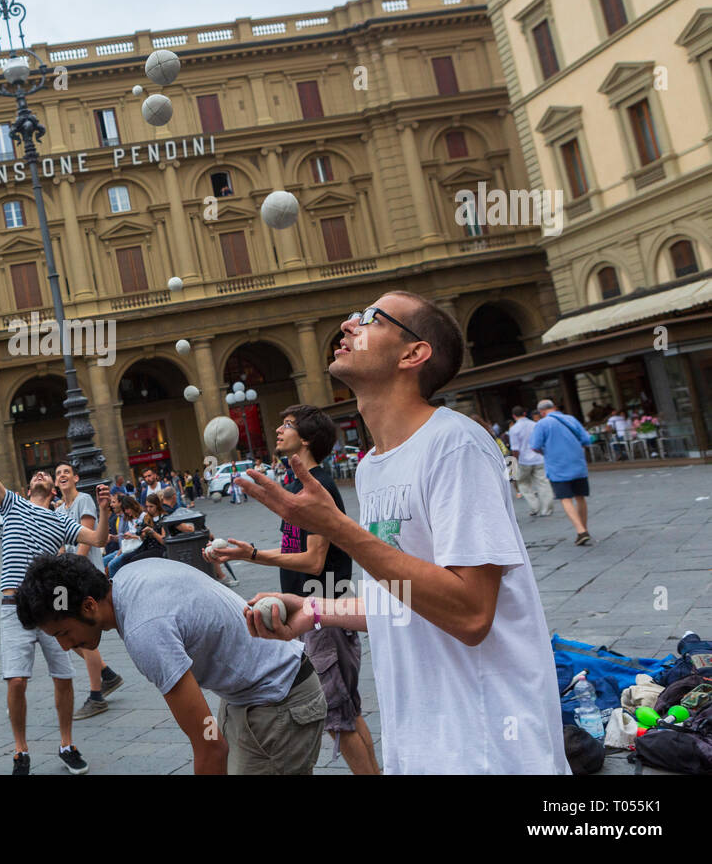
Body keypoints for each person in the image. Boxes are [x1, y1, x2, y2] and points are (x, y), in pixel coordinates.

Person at [236, 291, 568, 774]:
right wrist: (315, 610)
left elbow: (472, 613)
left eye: (370, 319)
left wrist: (338, 529)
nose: (349, 325)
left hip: (487, 744)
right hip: (420, 742)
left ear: (413, 354)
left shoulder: (455, 445)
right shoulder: (371, 467)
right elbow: (406, 599)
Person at [17, 552, 327, 774]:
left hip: (279, 702)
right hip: (254, 696)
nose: (66, 646)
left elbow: (209, 745)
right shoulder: (127, 577)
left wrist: (211, 737)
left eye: (63, 633)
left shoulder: (144, 631)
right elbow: (208, 732)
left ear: (89, 605)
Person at [206, 405, 379, 775]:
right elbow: (297, 550)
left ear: (307, 439)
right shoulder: (304, 485)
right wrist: (248, 552)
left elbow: (314, 560)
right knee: (346, 711)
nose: (279, 430)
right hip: (320, 608)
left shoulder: (320, 486)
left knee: (337, 716)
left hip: (325, 610)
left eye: (288, 425)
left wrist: (253, 556)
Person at [0, 408, 111, 775]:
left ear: (53, 490)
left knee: (64, 676)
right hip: (13, 603)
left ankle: (67, 744)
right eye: (36, 472)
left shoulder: (60, 520)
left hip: (56, 606)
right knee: (17, 681)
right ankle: (21, 751)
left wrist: (103, 509)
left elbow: (98, 538)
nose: (40, 474)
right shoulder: (12, 504)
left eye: (46, 475)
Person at [53, 462, 124, 720]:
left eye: (66, 473)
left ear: (75, 478)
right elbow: (60, 544)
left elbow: (87, 537)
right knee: (64, 633)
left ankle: (97, 697)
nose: (62, 476)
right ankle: (106, 675)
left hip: (85, 576)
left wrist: (70, 570)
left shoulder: (84, 501)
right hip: (69, 576)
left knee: (83, 634)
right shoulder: (58, 509)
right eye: (58, 474)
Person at [531, 398, 595, 546]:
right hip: (577, 463)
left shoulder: (542, 423)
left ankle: (580, 530)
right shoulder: (570, 419)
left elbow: (535, 445)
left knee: (566, 498)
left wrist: (547, 451)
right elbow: (586, 439)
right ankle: (584, 528)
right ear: (554, 407)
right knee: (580, 497)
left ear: (541, 412)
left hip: (557, 465)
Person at [508, 405, 554, 517]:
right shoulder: (535, 425)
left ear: (514, 416)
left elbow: (515, 449)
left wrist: (515, 462)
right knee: (543, 483)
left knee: (523, 483)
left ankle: (535, 506)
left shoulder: (513, 429)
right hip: (539, 458)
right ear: (524, 413)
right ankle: (547, 509)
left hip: (523, 460)